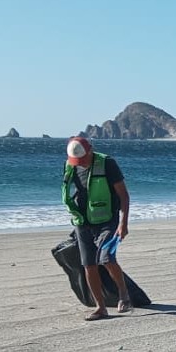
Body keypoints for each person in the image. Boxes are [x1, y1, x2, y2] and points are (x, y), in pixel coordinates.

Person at [62, 136, 132, 321]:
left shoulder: (107, 163)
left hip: (107, 219)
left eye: (83, 159)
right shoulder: (71, 165)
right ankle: (101, 308)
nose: (81, 163)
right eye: (78, 161)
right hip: (82, 222)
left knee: (107, 258)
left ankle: (124, 293)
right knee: (89, 265)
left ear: (91, 149)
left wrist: (123, 223)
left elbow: (124, 195)